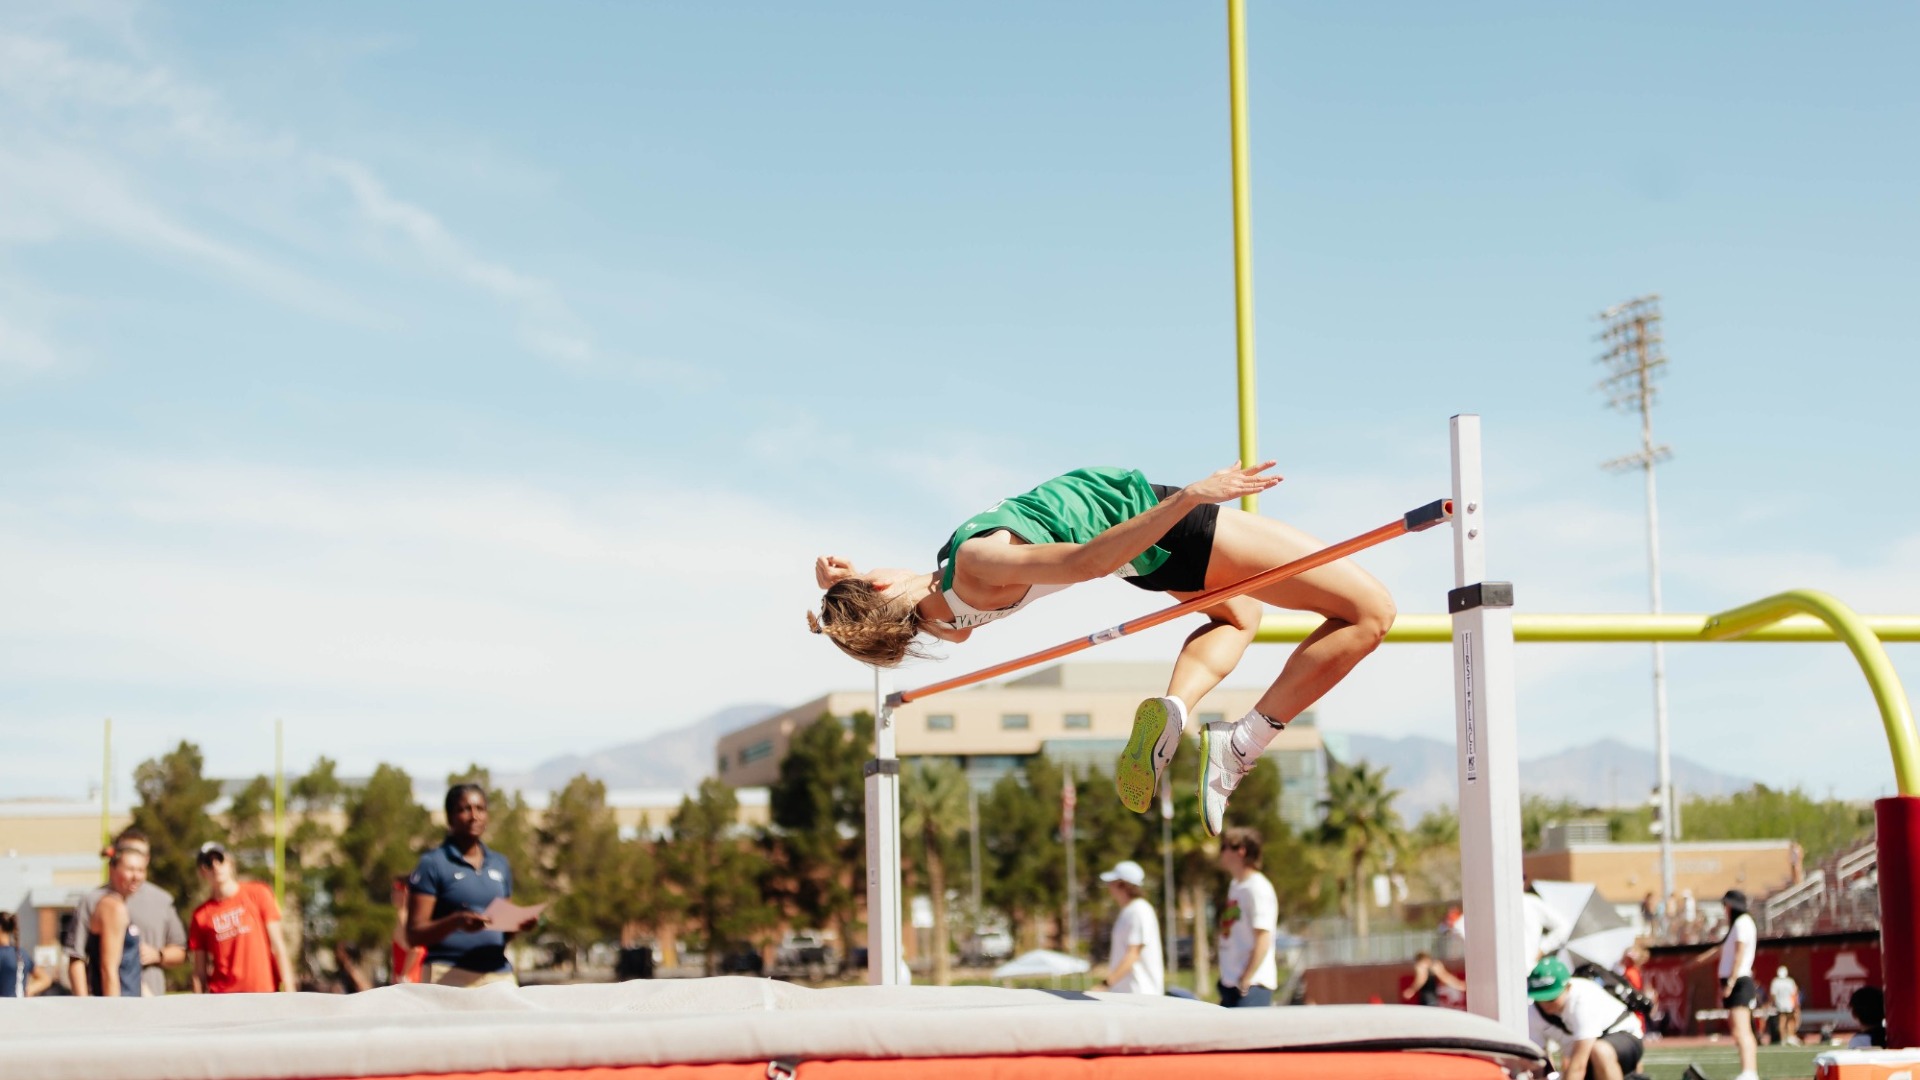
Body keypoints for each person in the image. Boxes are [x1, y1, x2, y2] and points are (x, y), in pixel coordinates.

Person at [809, 463, 1395, 837]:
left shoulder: (947, 620)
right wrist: (1190, 497)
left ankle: (1183, 710)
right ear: (879, 588)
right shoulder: (974, 560)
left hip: (1143, 556)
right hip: (1154, 525)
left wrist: (846, 591)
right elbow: (1086, 562)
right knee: (1371, 613)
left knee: (1239, 615)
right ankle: (1245, 741)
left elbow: (904, 606)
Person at [406, 784, 536, 987]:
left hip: (497, 973)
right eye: (465, 809)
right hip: (447, 973)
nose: (474, 816)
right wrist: (456, 922)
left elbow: (503, 932)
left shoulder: (499, 863)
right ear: (450, 818)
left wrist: (518, 924)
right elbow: (414, 935)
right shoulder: (433, 863)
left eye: (480, 809)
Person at [64, 830, 186, 997]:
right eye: (130, 867)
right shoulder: (104, 904)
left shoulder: (161, 900)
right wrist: (88, 1005)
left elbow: (181, 950)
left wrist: (158, 955)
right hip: (117, 1002)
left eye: (140, 867)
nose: (136, 875)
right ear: (114, 864)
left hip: (145, 998)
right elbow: (105, 967)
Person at [188, 843, 295, 993]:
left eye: (220, 859)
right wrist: (199, 1001)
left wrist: (290, 990)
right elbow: (199, 971)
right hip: (224, 997)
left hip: (264, 993)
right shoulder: (201, 915)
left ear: (230, 863)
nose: (216, 866)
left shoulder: (258, 893)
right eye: (208, 863)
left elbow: (278, 946)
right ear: (202, 871)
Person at [1527, 956, 1646, 1080]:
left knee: (1599, 1051)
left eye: (1551, 998)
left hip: (1623, 1034)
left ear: (1568, 987)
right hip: (1585, 1047)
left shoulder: (1582, 999)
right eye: (1540, 998)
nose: (1545, 1004)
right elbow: (1538, 1062)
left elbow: (1579, 1066)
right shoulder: (1533, 1011)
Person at [1691, 889, 1759, 1080]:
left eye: (1726, 905)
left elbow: (1739, 954)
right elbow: (1721, 950)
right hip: (1736, 981)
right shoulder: (1738, 925)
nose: (1724, 909)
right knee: (1739, 1030)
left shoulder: (1742, 923)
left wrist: (1730, 982)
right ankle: (1748, 1071)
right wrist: (1696, 962)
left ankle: (1749, 1072)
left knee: (1742, 1030)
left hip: (1739, 981)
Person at [1215, 827, 1279, 1007]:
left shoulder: (1257, 888)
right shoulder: (1236, 886)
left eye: (1224, 847)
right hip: (1232, 984)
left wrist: (1246, 977)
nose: (1221, 852)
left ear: (1241, 851)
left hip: (1252, 986)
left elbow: (1263, 937)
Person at [1093, 860, 1163, 996]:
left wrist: (1105, 985)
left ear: (1122, 885)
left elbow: (1133, 954)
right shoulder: (1129, 911)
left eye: (1112, 882)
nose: (1109, 887)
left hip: (1140, 994)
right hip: (1128, 994)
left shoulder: (1139, 910)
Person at [82, 856, 143, 997]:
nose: (136, 877)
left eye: (141, 870)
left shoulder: (121, 906)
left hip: (131, 1002)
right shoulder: (112, 908)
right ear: (112, 870)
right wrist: (115, 1007)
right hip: (119, 1004)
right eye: (130, 869)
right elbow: (108, 969)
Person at [0, 912, 53, 997]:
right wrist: (29, 990)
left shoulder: (3, 954)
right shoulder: (22, 953)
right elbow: (45, 979)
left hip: (4, 1004)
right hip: (21, 1003)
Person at [1768, 965, 1800, 1045]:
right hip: (1789, 1004)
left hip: (1780, 1005)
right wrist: (1796, 1004)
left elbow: (1773, 994)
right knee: (1790, 1021)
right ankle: (1790, 1036)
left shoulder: (1775, 982)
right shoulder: (1790, 981)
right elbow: (1794, 994)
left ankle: (1783, 1039)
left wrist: (1774, 1003)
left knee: (1782, 1021)